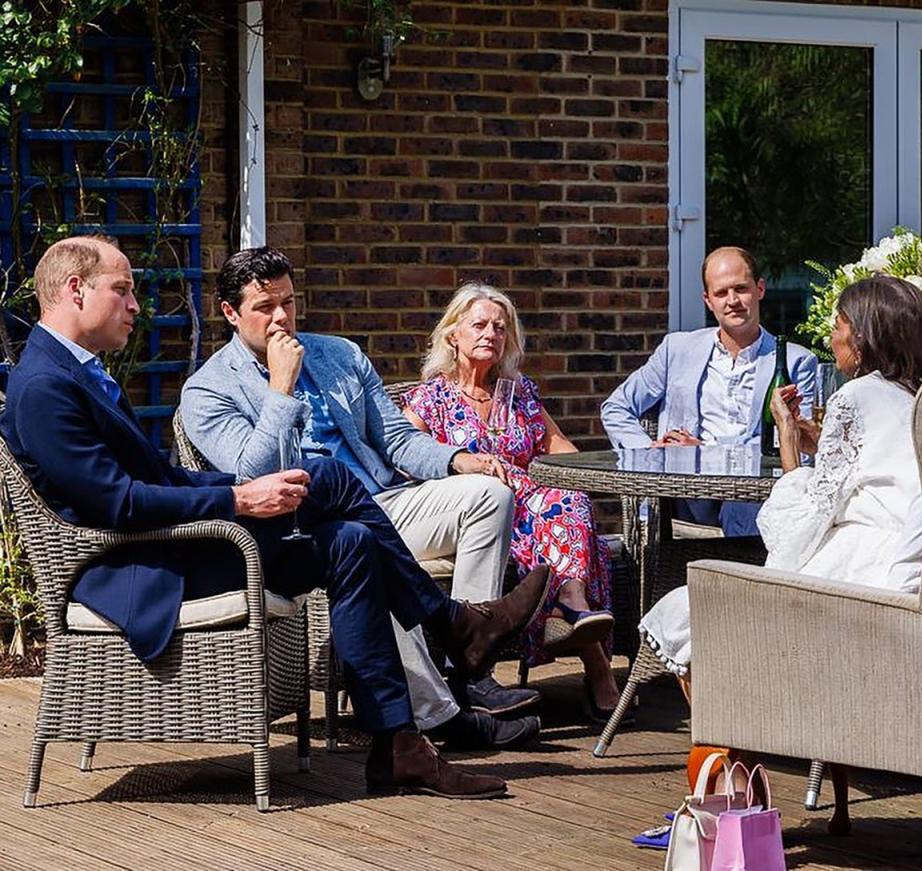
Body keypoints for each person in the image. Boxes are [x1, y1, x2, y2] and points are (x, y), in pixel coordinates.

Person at [0, 235, 552, 799]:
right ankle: (452, 625)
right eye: (122, 290)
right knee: (331, 477)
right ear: (75, 290)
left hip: (174, 547)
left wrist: (237, 488)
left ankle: (399, 746)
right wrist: (238, 498)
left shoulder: (74, 372)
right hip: (141, 572)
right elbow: (118, 505)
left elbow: (159, 482)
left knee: (352, 541)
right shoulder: (46, 387)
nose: (136, 305)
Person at [180, 246, 538, 751]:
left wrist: (457, 459)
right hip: (307, 525)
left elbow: (395, 439)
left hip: (384, 499)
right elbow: (251, 476)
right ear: (230, 313)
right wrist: (280, 389)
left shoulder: (340, 355)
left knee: (489, 495)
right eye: (265, 307)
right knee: (364, 545)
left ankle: (470, 668)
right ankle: (444, 711)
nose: (282, 317)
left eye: (289, 302)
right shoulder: (207, 390)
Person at [638, 274, 922, 697]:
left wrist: (786, 437)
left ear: (861, 337)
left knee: (687, 608)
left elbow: (798, 529)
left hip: (858, 575)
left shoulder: (856, 396)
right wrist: (822, 446)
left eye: (837, 325)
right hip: (918, 571)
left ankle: (726, 749)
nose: (831, 336)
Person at [402, 283, 622, 720]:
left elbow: (560, 446)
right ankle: (591, 652)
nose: (491, 334)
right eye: (479, 325)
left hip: (534, 503)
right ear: (453, 335)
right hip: (481, 512)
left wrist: (588, 473)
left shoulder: (518, 392)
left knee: (567, 499)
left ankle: (573, 602)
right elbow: (407, 458)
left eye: (500, 328)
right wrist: (465, 466)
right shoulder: (431, 398)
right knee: (559, 518)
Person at [601, 246, 818, 536]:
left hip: (756, 497)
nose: (733, 301)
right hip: (685, 498)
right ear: (708, 300)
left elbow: (797, 446)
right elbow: (616, 408)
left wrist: (705, 454)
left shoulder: (795, 362)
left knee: (743, 507)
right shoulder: (676, 350)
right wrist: (648, 453)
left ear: (760, 289)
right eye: (721, 293)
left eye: (741, 289)